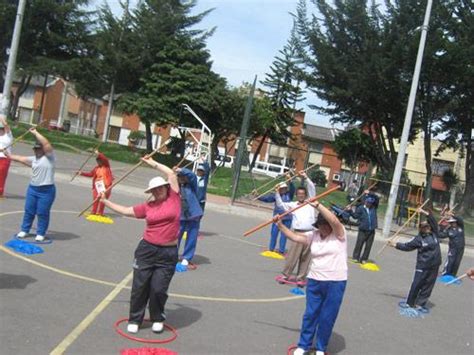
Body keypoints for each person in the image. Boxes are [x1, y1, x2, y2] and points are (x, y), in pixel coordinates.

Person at [99, 157, 180, 334]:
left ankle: (157, 318)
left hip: (168, 253)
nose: (158, 191)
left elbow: (170, 173)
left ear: (166, 187)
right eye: (154, 189)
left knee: (159, 289)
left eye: (160, 187)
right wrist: (105, 202)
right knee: (140, 286)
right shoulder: (148, 206)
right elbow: (126, 211)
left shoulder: (174, 198)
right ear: (151, 191)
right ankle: (135, 318)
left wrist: (152, 162)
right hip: (147, 250)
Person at [274, 200, 347, 355]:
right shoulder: (313, 235)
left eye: (326, 225)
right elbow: (295, 237)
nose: (324, 228)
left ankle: (321, 348)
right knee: (310, 314)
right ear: (318, 225)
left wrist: (317, 205)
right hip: (314, 280)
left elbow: (334, 220)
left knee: (327, 316)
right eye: (321, 225)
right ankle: (303, 345)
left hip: (335, 282)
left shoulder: (339, 235)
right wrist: (280, 225)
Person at [5, 128, 55, 242]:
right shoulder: (34, 159)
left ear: (43, 150)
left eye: (39, 149)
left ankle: (41, 233)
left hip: (46, 190)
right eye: (35, 149)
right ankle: (24, 230)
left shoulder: (49, 158)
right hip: (33, 189)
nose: (36, 151)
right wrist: (8, 155)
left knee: (42, 212)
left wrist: (35, 133)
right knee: (29, 210)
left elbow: (47, 143)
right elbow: (20, 158)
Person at [388, 209, 441, 312]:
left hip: (434, 265)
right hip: (423, 265)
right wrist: (394, 244)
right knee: (417, 283)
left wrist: (424, 212)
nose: (427, 228)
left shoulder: (434, 233)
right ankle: (410, 302)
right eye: (424, 227)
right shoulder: (418, 239)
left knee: (428, 285)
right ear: (421, 229)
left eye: (428, 226)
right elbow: (407, 246)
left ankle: (420, 303)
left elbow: (433, 220)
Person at [275, 171, 316, 286]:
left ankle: (300, 278)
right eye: (299, 194)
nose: (301, 195)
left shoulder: (310, 202)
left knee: (305, 258)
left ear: (306, 194)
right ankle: (285, 275)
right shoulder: (293, 205)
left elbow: (312, 188)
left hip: (310, 233)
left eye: (303, 194)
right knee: (293, 255)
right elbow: (281, 205)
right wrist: (277, 193)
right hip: (297, 233)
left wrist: (306, 177)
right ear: (297, 195)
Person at [175, 165, 203, 270]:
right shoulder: (175, 188)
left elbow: (192, 175)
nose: (182, 178)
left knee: (191, 237)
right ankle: (172, 255)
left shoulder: (192, 186)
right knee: (176, 236)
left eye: (184, 176)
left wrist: (181, 170)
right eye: (180, 176)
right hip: (180, 216)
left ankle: (186, 257)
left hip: (193, 215)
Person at [257, 178, 296, 254]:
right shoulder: (276, 195)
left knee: (284, 234)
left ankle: (281, 250)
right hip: (277, 218)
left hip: (287, 218)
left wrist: (290, 181)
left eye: (285, 188)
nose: (283, 189)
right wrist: (258, 196)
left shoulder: (289, 194)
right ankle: (271, 249)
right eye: (281, 188)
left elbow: (293, 189)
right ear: (279, 189)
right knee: (274, 233)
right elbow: (266, 199)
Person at [78, 150, 113, 216]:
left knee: (103, 199)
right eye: (97, 162)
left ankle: (100, 212)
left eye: (99, 161)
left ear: (102, 161)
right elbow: (90, 174)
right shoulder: (96, 168)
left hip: (105, 186)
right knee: (95, 198)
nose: (98, 163)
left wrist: (98, 153)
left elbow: (105, 158)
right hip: (98, 185)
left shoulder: (106, 166)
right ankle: (94, 211)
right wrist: (81, 173)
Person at [348, 192, 379, 263]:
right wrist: (350, 210)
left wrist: (370, 193)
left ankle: (364, 259)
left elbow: (377, 198)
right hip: (363, 229)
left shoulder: (373, 208)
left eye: (371, 203)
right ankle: (355, 257)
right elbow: (355, 216)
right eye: (368, 202)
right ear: (365, 201)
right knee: (359, 243)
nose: (369, 204)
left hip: (371, 230)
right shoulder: (360, 208)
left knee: (368, 246)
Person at [0, 114, 13, 198]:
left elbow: (6, 126)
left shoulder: (8, 135)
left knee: (1, 173)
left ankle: (0, 192)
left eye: (1, 128)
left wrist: (1, 118)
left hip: (5, 158)